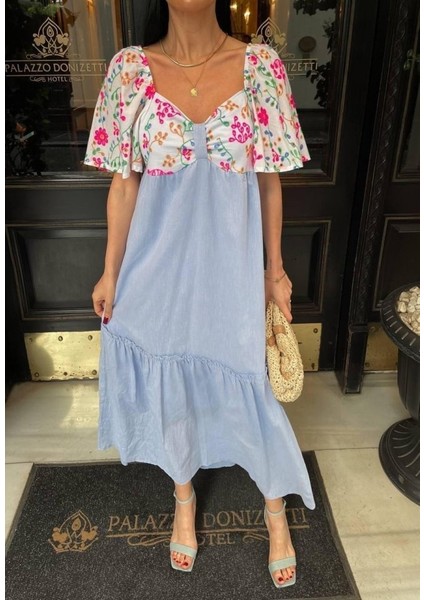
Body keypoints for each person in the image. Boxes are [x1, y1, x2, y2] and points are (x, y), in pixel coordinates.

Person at [84, 0, 315, 589]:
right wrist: (110, 272)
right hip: (156, 275)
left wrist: (274, 272)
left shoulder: (260, 66)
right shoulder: (129, 70)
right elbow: (123, 186)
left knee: (252, 386)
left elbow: (269, 182)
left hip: (230, 273)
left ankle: (274, 509)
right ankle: (183, 499)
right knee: (174, 389)